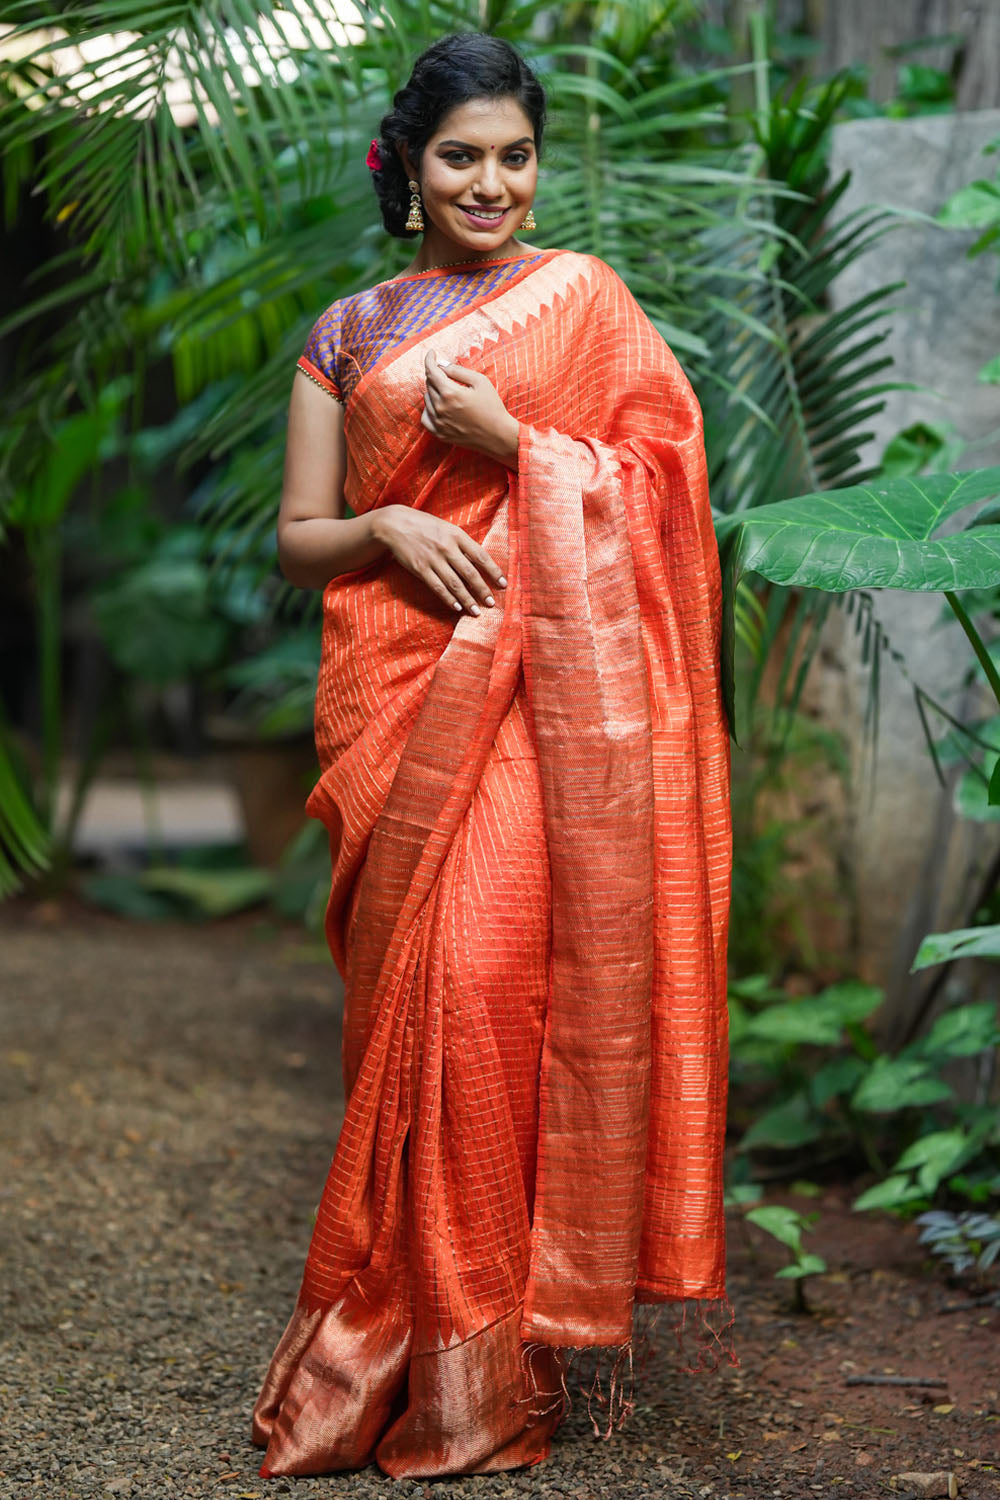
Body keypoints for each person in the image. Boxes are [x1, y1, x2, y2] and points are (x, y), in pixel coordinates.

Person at [251, 29, 736, 1483]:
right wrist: (389, 527)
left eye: (516, 155)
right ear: (410, 168)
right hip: (392, 697)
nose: (493, 181)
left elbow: (662, 480)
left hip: (541, 697)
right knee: (416, 995)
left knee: (478, 989)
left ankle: (484, 1365)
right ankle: (408, 1335)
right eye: (462, 155)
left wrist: (519, 439)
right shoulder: (347, 331)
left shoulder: (583, 301)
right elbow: (296, 539)